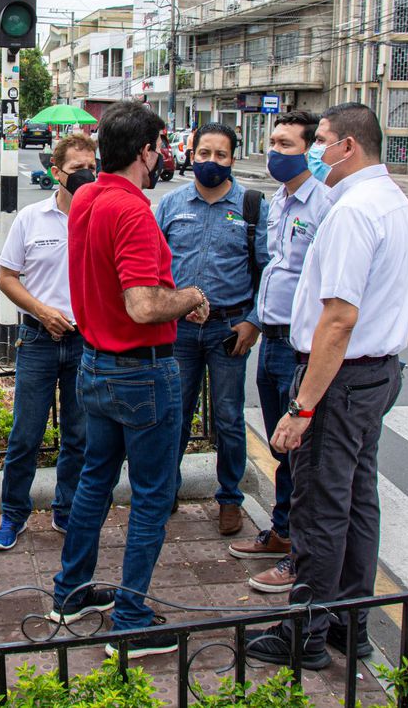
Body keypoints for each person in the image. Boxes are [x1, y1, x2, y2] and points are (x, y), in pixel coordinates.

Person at [246, 103, 408, 670]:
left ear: (348, 146)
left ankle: (305, 634)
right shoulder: (391, 201)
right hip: (375, 374)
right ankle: (350, 623)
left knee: (320, 506)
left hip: (340, 379)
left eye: (320, 141)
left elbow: (339, 319)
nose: (315, 151)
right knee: (356, 501)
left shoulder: (353, 212)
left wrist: (302, 406)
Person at [51, 100, 209, 660]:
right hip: (141, 371)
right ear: (145, 151)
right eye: (161, 146)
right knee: (151, 496)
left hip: (96, 364)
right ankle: (131, 621)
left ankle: (71, 593)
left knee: (95, 480)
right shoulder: (133, 210)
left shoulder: (87, 197)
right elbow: (143, 305)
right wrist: (190, 297)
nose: (165, 155)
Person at [228, 111, 329, 594]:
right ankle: (282, 531)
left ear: (310, 151)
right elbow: (271, 267)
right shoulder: (279, 202)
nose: (274, 151)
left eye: (286, 144)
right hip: (270, 338)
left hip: (299, 343)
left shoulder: (326, 204)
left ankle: (301, 555)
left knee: (303, 454)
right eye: (273, 142)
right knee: (279, 447)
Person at [154, 123, 268, 536]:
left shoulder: (252, 206)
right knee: (174, 416)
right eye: (204, 153)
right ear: (192, 155)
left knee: (229, 418)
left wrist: (253, 321)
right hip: (179, 331)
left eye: (221, 155)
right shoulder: (171, 204)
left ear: (232, 159)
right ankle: (165, 493)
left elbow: (268, 270)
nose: (211, 162)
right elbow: (153, 264)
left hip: (228, 331)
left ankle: (230, 499)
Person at [0, 134, 96, 551]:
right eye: (77, 169)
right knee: (25, 435)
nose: (87, 175)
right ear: (56, 173)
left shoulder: (101, 216)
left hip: (85, 342)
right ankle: (12, 514)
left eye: (92, 167)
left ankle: (66, 509)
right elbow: (6, 278)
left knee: (79, 435)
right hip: (37, 339)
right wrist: (42, 311)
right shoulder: (31, 218)